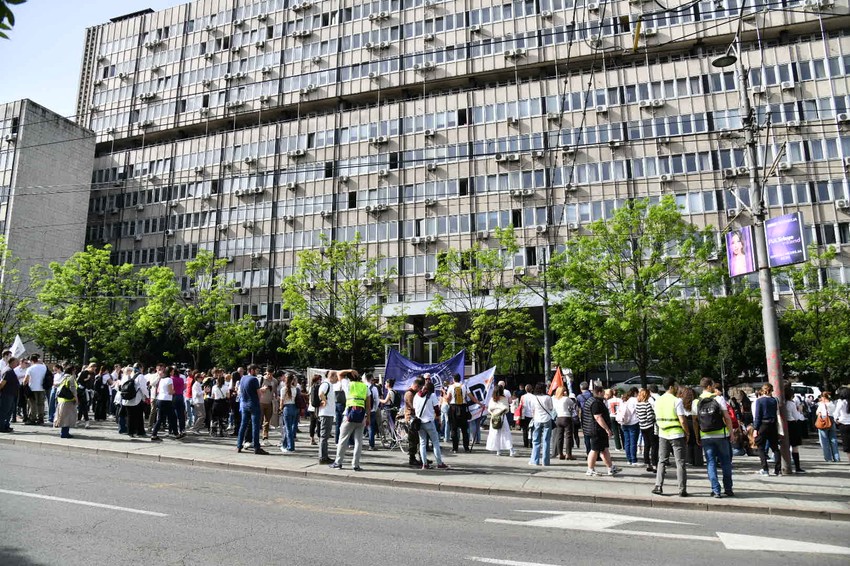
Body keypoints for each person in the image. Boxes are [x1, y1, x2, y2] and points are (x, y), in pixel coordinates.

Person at [693, 378, 734, 497]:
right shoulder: (719, 398)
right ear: (710, 386)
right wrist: (731, 432)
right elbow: (727, 417)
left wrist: (697, 436)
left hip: (705, 436)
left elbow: (695, 421)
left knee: (710, 463)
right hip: (721, 435)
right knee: (726, 462)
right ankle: (728, 488)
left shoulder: (696, 402)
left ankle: (716, 490)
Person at [653, 378, 689, 497]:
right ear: (671, 387)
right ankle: (682, 489)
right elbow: (682, 420)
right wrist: (687, 433)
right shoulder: (676, 401)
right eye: (676, 386)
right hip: (676, 434)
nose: (677, 388)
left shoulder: (658, 400)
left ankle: (658, 486)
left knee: (662, 461)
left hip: (663, 434)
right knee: (680, 462)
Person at [330, 370, 370, 471]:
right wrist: (368, 418)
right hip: (361, 416)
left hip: (349, 415)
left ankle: (338, 463)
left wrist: (350, 370)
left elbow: (339, 373)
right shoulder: (365, 387)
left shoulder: (348, 384)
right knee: (358, 441)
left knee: (343, 439)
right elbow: (368, 405)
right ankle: (355, 465)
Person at [582, 385, 620, 476]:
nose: (604, 394)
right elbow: (598, 417)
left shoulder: (591, 400)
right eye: (603, 392)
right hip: (597, 430)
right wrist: (607, 429)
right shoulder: (596, 403)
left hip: (594, 429)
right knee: (595, 450)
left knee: (604, 449)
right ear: (599, 392)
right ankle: (590, 469)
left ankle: (610, 468)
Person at [413, 380, 448, 469]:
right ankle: (439, 463)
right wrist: (439, 420)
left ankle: (424, 464)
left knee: (422, 443)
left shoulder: (416, 395)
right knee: (435, 442)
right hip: (429, 422)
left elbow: (414, 408)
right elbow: (437, 409)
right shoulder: (432, 396)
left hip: (419, 423)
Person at [445, 373, 481, 453]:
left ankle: (455, 448)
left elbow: (448, 398)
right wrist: (480, 404)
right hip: (463, 408)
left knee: (454, 429)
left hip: (453, 408)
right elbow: (472, 398)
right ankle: (466, 447)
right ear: (460, 379)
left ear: (454, 379)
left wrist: (448, 401)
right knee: (465, 429)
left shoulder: (451, 387)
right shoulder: (464, 386)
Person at [236, 364, 267, 455]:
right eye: (256, 370)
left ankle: (239, 445)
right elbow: (258, 393)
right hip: (253, 404)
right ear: (252, 370)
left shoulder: (243, 378)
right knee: (255, 426)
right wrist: (262, 391)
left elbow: (242, 391)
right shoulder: (254, 379)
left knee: (243, 425)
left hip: (245, 404)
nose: (257, 372)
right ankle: (257, 447)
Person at [753, 383, 783, 476]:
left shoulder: (759, 401)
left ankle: (765, 469)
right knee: (775, 447)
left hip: (763, 424)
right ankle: (778, 470)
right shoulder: (775, 400)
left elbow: (758, 416)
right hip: (773, 425)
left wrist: (755, 429)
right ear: (771, 390)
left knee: (761, 447)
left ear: (762, 390)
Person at [150, 365, 178, 442]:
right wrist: (174, 391)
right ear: (170, 372)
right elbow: (170, 391)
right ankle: (176, 434)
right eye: (172, 371)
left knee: (160, 418)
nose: (173, 372)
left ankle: (154, 434)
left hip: (160, 399)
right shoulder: (169, 379)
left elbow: (158, 390)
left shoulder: (162, 379)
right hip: (166, 400)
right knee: (173, 417)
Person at [528, 383, 554, 467]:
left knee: (536, 441)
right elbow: (551, 408)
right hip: (547, 419)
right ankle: (545, 462)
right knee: (546, 441)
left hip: (537, 419)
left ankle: (535, 460)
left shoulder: (534, 398)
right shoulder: (548, 397)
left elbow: (532, 409)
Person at [119, 365, 148, 438]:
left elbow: (121, 386)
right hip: (137, 399)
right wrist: (147, 396)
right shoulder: (140, 376)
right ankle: (140, 432)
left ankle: (130, 432)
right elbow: (143, 388)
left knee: (130, 416)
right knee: (139, 416)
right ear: (140, 368)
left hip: (127, 399)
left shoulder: (126, 376)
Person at [486, 384, 515, 457]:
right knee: (506, 433)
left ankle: (498, 450)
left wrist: (493, 413)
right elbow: (506, 409)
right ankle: (511, 450)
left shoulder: (492, 399)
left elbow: (489, 409)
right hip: (502, 417)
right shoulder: (504, 399)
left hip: (494, 418)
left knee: (496, 434)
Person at [783, 384, 807, 473]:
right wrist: (800, 412)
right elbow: (796, 416)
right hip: (792, 424)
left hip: (784, 424)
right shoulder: (791, 404)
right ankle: (797, 467)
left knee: (784, 446)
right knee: (795, 447)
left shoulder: (781, 403)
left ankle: (784, 465)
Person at [316, 371, 337, 464]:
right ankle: (322, 457)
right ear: (332, 376)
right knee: (324, 436)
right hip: (326, 413)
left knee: (325, 436)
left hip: (328, 413)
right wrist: (324, 401)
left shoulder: (329, 384)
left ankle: (324, 456)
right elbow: (320, 393)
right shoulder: (326, 384)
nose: (337, 378)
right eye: (336, 376)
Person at [636, 388, 658, 473]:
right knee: (654, 446)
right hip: (650, 427)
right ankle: (655, 465)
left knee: (646, 445)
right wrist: (653, 416)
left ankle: (647, 464)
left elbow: (638, 416)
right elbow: (650, 416)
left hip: (642, 427)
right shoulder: (647, 405)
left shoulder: (638, 405)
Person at [404, 377, 424, 466]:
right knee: (413, 439)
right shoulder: (409, 394)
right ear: (416, 386)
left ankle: (422, 457)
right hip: (411, 418)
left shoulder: (414, 393)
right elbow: (413, 406)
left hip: (415, 418)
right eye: (419, 388)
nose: (420, 390)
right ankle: (412, 458)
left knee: (419, 439)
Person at [23, 354, 49, 425]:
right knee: (41, 404)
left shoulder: (30, 368)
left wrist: (23, 385)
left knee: (32, 404)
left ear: (31, 361)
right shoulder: (44, 367)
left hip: (32, 388)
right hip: (42, 388)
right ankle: (41, 419)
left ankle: (32, 419)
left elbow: (26, 380)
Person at [617, 387, 640, 466]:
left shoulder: (624, 399)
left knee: (627, 441)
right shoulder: (634, 400)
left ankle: (628, 459)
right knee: (633, 442)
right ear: (635, 393)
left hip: (624, 423)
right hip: (633, 422)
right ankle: (634, 459)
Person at [53, 368, 78, 439]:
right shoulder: (71, 378)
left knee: (62, 416)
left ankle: (64, 432)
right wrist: (76, 399)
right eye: (74, 371)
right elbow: (73, 390)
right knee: (67, 417)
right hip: (68, 400)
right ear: (72, 371)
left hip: (61, 399)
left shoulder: (63, 377)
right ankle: (64, 433)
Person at [552, 386, 575, 460]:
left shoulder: (555, 399)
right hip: (566, 417)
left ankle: (560, 453)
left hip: (558, 418)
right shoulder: (566, 398)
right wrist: (567, 396)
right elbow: (572, 404)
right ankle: (568, 454)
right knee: (568, 436)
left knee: (559, 436)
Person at [816, 392, 840, 462]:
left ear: (823, 397)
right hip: (832, 420)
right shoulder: (832, 404)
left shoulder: (821, 404)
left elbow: (817, 412)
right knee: (833, 440)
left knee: (824, 440)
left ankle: (828, 458)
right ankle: (836, 457)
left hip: (824, 421)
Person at [279, 372, 299, 453]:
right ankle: (285, 445)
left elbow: (281, 401)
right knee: (291, 427)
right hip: (294, 407)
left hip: (287, 408)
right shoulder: (295, 389)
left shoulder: (283, 389)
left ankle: (290, 447)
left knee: (287, 428)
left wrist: (280, 409)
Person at [0, 357, 20, 432]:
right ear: (11, 362)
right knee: (4, 411)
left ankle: (6, 425)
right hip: (7, 394)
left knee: (9, 411)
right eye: (16, 362)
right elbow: (2, 383)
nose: (17, 364)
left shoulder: (10, 370)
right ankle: (1, 427)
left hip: (11, 393)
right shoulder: (8, 371)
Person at [259, 370, 278, 445]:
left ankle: (265, 437)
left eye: (271, 374)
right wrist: (262, 389)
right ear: (266, 372)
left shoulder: (275, 381)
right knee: (259, 420)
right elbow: (257, 389)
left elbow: (275, 391)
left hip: (269, 402)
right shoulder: (262, 379)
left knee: (267, 421)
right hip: (261, 402)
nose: (269, 376)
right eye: (268, 374)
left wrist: (276, 397)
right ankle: (255, 438)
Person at [833, 387, 850, 464]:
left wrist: (836, 420)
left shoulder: (841, 402)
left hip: (844, 424)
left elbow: (836, 412)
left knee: (847, 445)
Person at [519, 384, 535, 449]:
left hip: (524, 415)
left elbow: (520, 405)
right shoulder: (534, 397)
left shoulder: (522, 397)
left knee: (525, 430)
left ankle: (525, 443)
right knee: (532, 430)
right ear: (532, 389)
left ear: (525, 389)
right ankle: (531, 443)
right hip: (532, 415)